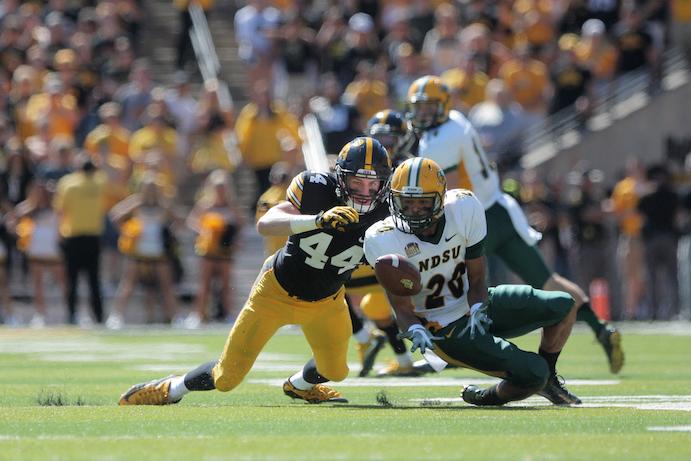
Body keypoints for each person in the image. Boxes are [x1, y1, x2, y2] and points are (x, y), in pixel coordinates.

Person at [118, 137, 392, 406]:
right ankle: (170, 388)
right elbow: (266, 223)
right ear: (342, 178)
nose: (365, 191)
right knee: (226, 378)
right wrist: (317, 220)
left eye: (373, 183)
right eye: (357, 181)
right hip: (276, 292)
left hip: (327, 302)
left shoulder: (386, 213)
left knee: (336, 371)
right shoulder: (317, 189)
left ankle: (299, 385)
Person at [405, 75, 624, 374]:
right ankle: (601, 329)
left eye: (429, 107)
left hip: (476, 217)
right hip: (501, 209)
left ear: (443, 106)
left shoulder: (442, 138)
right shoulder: (455, 120)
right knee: (548, 281)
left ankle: (450, 352)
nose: (422, 114)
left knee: (457, 285)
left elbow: (451, 195)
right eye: (419, 108)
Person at [364, 158, 581, 406]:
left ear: (440, 200)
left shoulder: (463, 207)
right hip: (442, 329)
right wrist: (415, 330)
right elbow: (401, 307)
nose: (413, 210)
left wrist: (478, 308)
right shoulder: (382, 238)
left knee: (564, 305)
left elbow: (477, 277)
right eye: (406, 202)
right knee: (533, 372)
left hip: (473, 302)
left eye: (423, 203)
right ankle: (485, 396)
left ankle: (549, 381)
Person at [346, 110, 416, 377]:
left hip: (398, 248)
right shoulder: (364, 166)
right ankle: (398, 355)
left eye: (391, 139)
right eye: (380, 138)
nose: (385, 145)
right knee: (372, 306)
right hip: (372, 248)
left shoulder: (409, 169)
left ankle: (366, 339)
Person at [106, 176, 181, 329]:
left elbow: (178, 220)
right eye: (148, 188)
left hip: (158, 250)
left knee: (166, 285)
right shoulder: (137, 203)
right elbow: (115, 215)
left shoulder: (163, 204)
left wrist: (169, 234)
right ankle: (116, 316)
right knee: (128, 283)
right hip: (138, 250)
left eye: (153, 188)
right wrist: (127, 232)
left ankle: (176, 317)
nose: (151, 191)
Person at [184, 170, 244, 328]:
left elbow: (240, 225)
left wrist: (236, 239)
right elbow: (191, 221)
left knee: (226, 284)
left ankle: (228, 314)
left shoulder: (232, 206)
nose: (220, 191)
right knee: (204, 284)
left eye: (223, 187)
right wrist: (204, 231)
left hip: (225, 250)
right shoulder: (205, 205)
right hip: (208, 250)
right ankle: (198, 314)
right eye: (217, 187)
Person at [53, 157, 107, 325]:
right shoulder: (99, 182)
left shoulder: (68, 183)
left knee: (72, 280)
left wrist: (58, 234)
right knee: (94, 281)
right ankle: (98, 317)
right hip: (93, 238)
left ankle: (71, 315)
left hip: (73, 237)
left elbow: (60, 210)